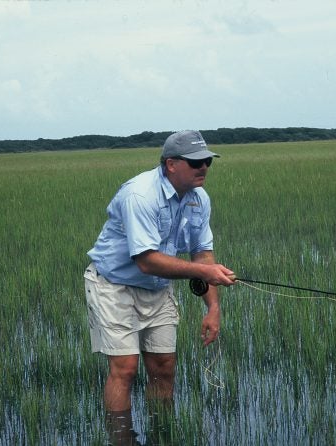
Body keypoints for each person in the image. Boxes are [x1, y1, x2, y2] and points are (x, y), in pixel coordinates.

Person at [84, 130, 236, 444]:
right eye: (196, 162)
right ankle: (121, 439)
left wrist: (213, 308)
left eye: (207, 161)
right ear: (171, 165)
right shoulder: (140, 194)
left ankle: (162, 435)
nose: (203, 168)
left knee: (164, 365)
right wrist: (204, 270)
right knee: (125, 368)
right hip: (114, 286)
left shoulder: (198, 198)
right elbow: (147, 260)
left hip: (157, 288)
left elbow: (202, 253)